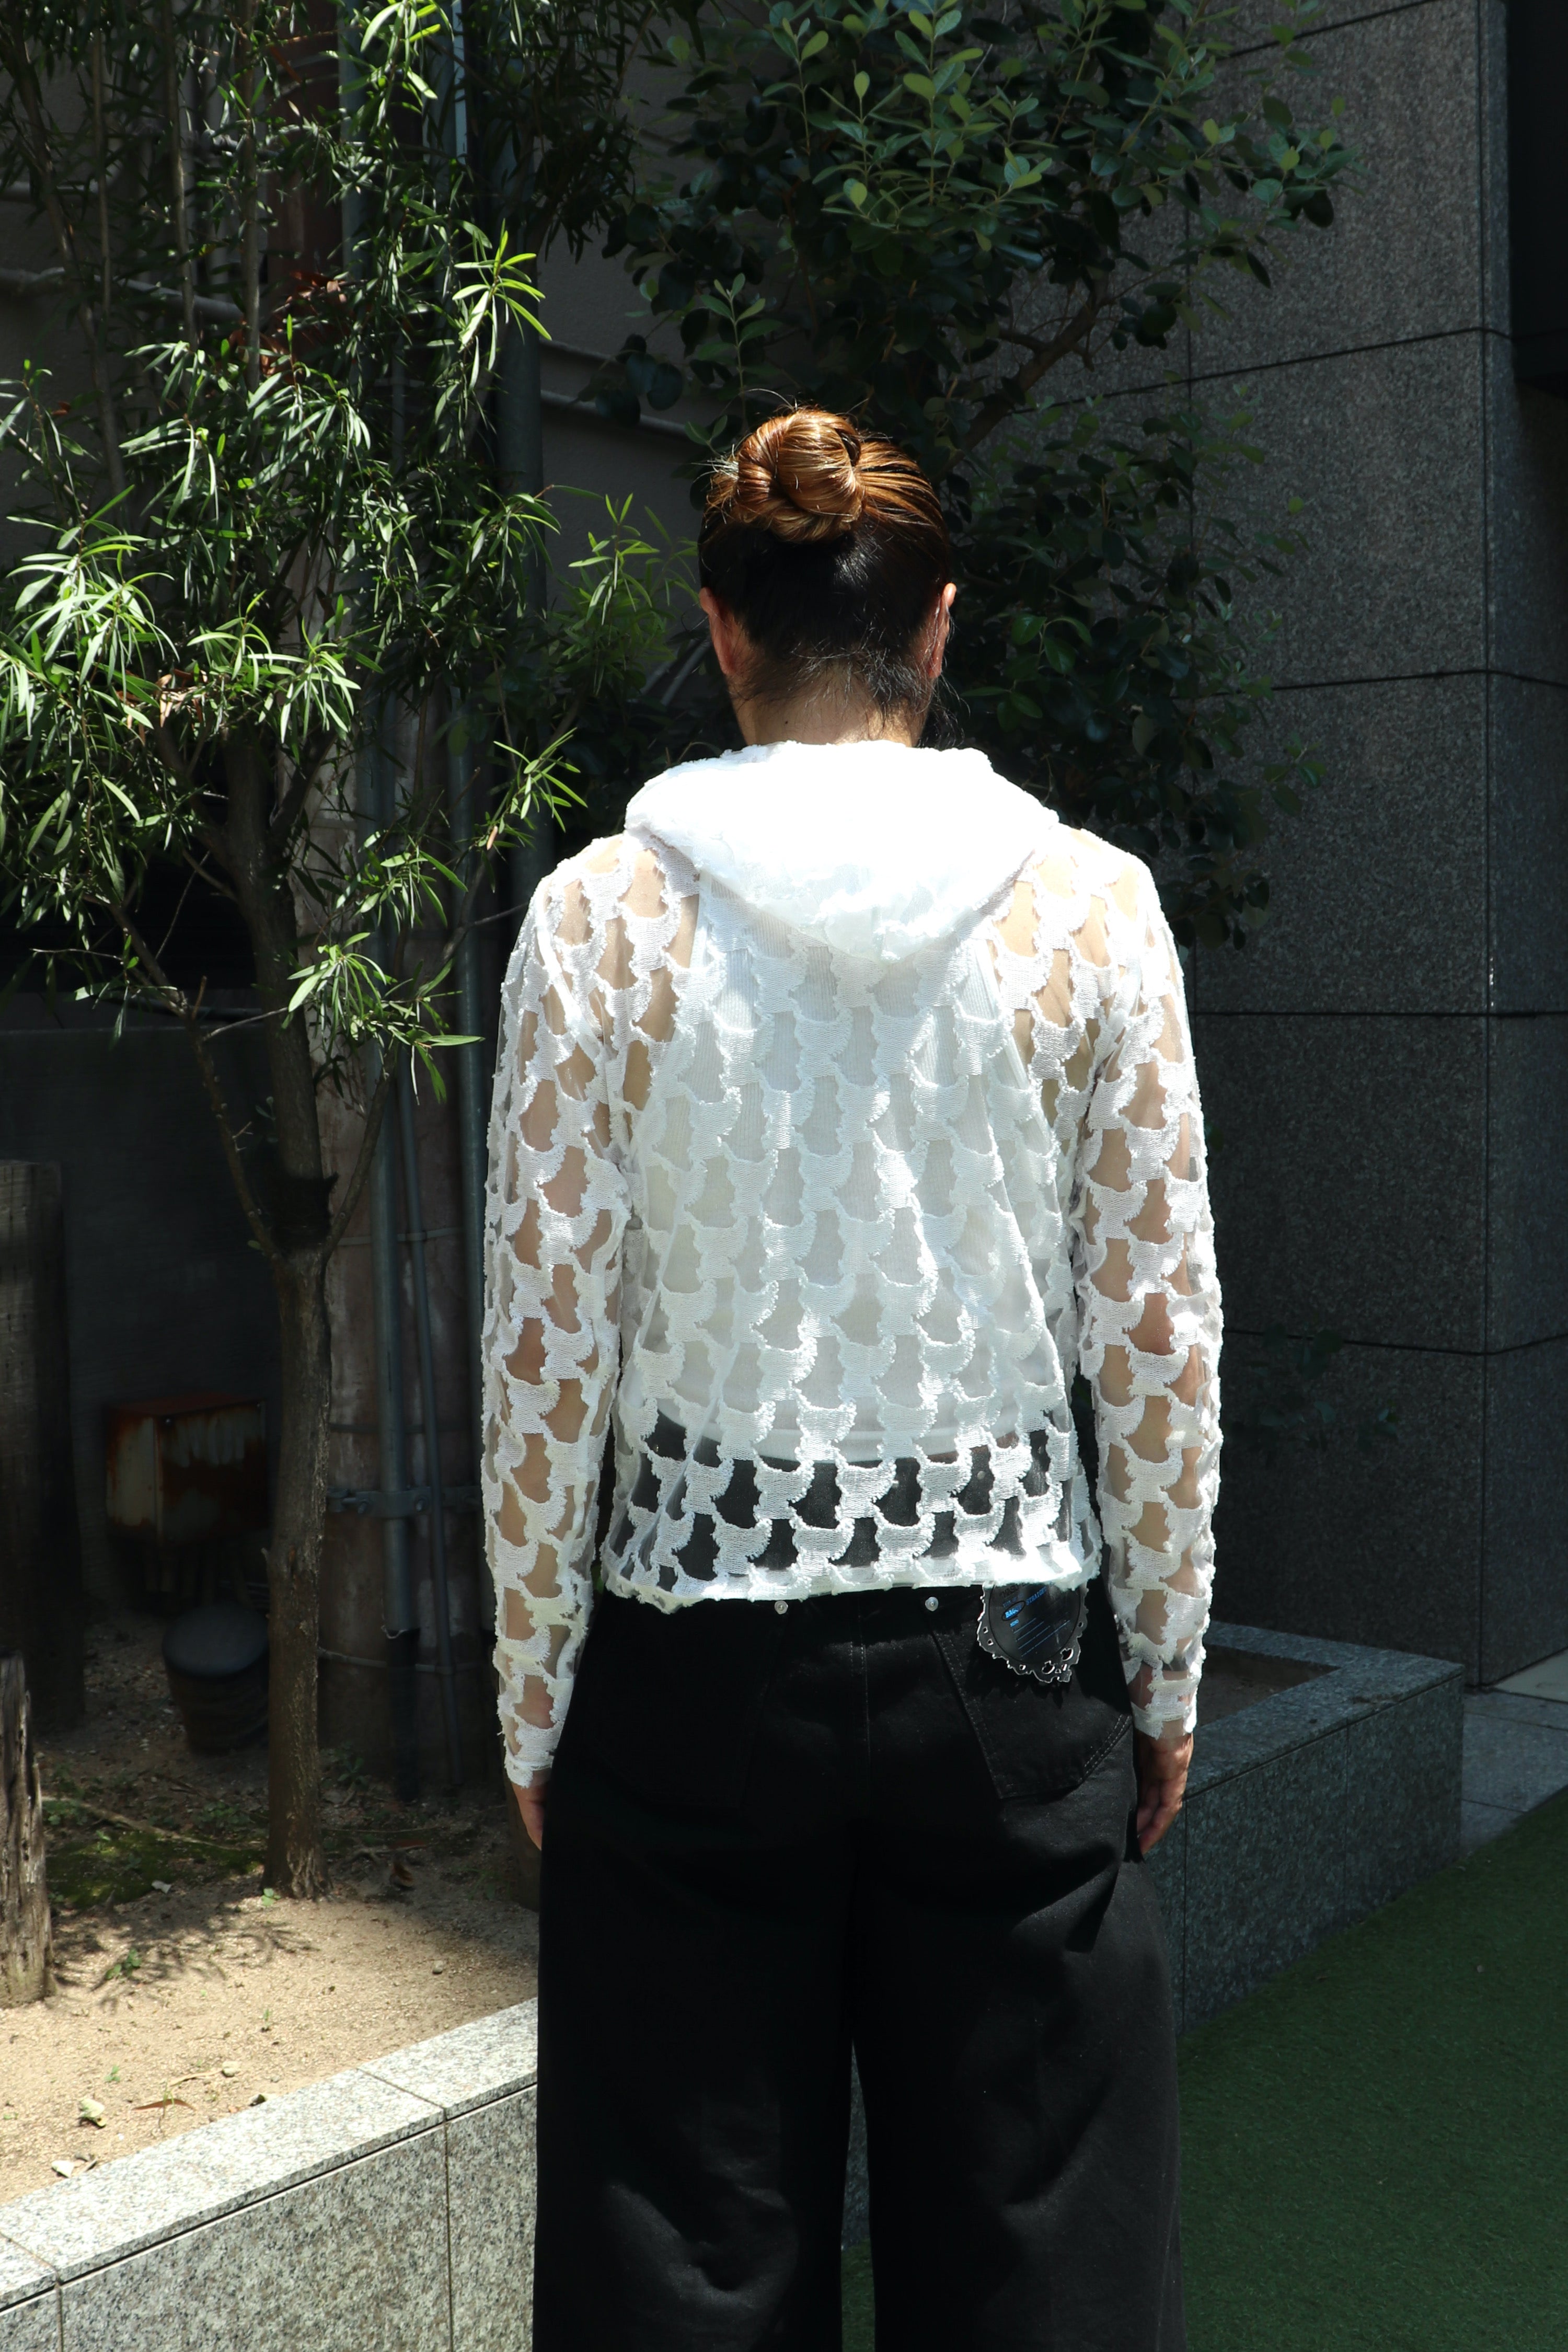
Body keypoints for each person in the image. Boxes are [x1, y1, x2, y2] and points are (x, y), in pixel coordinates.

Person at [482, 407, 1221, 2351]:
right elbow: (1158, 1326)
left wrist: (536, 1688)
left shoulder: (601, 921)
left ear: (722, 631)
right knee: (1045, 2269)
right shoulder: (1090, 908)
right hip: (1016, 1669)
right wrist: (1165, 1664)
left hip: (691, 1675)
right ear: (940, 629)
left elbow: (545, 1343)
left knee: (681, 2273)